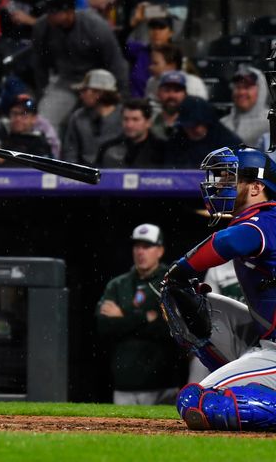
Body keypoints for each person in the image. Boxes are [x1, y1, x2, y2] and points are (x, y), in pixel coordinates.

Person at [155, 145, 276, 431]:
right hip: (269, 339)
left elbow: (230, 242)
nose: (221, 185)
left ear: (257, 187)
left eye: (230, 178)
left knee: (199, 402)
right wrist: (178, 283)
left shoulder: (268, 218)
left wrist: (181, 269)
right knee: (188, 303)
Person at [96, 223, 182, 405]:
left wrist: (123, 318)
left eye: (147, 246)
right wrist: (145, 318)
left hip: (163, 384)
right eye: (137, 246)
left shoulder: (171, 282)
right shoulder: (118, 285)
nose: (140, 252)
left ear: (160, 250)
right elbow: (103, 327)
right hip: (124, 384)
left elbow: (172, 329)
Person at [31, 0, 128, 131]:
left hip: (97, 83)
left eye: (53, 12)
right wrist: (42, 91)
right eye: (48, 11)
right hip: (66, 81)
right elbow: (39, 64)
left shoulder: (95, 25)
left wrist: (122, 99)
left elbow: (116, 63)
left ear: (69, 11)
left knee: (99, 124)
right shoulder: (42, 26)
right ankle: (45, 152)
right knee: (44, 119)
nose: (48, 15)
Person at [0, 93, 52, 164]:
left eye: (24, 114)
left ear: (34, 119)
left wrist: (4, 159)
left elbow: (45, 168)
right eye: (15, 113)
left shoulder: (38, 140)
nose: (18, 118)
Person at [62, 69, 122, 165]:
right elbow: (70, 152)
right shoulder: (78, 117)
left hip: (119, 173)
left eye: (85, 91)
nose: (81, 95)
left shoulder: (125, 116)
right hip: (85, 175)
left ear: (99, 93)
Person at [163, 96, 241, 169]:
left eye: (195, 125)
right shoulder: (177, 141)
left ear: (207, 122)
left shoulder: (228, 143)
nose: (190, 130)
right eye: (187, 126)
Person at [95, 97, 165, 168]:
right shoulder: (108, 148)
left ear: (148, 123)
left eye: (135, 119)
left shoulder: (162, 150)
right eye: (126, 119)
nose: (129, 125)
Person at [219, 65, 270, 147]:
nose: (241, 92)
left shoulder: (271, 123)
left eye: (247, 88)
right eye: (238, 87)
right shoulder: (223, 125)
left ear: (261, 90)